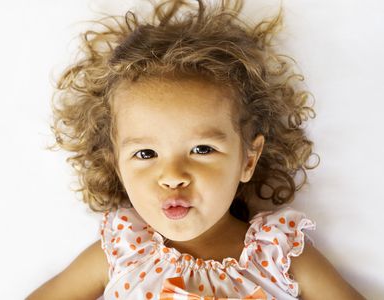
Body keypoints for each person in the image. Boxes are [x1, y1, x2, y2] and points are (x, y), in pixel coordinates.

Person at [27, 0, 366, 299]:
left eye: (202, 149)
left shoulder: (278, 251)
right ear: (117, 165)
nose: (173, 176)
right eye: (146, 154)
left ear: (247, 159)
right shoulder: (124, 250)